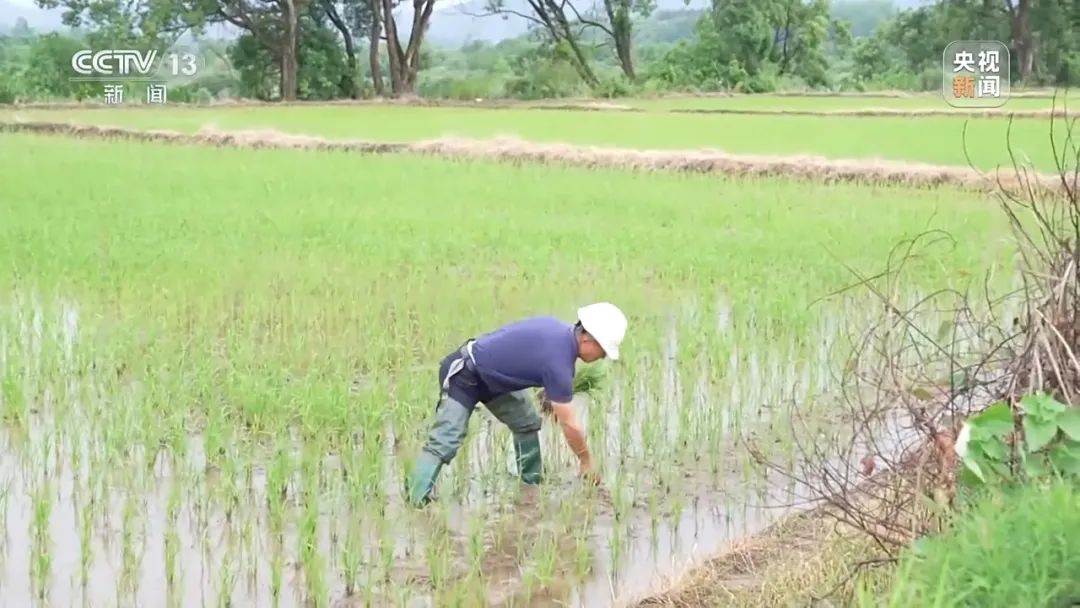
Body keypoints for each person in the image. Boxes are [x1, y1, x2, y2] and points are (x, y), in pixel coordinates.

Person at [404, 302, 628, 507]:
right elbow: (570, 424)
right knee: (446, 439)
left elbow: (524, 357)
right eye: (603, 351)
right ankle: (415, 501)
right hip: (464, 374)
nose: (603, 357)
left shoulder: (558, 333)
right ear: (588, 338)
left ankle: (531, 485)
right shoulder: (559, 360)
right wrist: (586, 461)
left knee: (527, 422)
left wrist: (549, 396)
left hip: (494, 381)